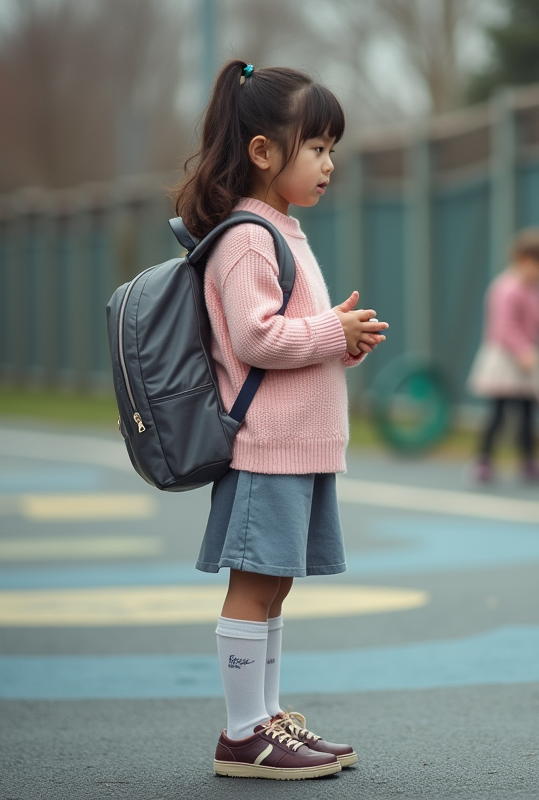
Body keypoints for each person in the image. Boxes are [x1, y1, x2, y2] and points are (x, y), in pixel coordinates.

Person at [171, 61, 388, 781]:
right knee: (255, 582)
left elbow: (294, 337)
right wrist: (331, 331)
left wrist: (339, 339)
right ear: (263, 151)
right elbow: (257, 338)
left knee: (278, 582)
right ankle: (242, 733)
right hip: (265, 448)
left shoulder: (283, 230)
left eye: (332, 148)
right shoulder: (246, 238)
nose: (329, 163)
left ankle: (265, 719)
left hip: (298, 448)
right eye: (316, 147)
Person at [466, 227, 539, 483]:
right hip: (506, 359)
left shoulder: (536, 288)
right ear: (522, 259)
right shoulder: (506, 288)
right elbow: (505, 327)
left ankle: (529, 461)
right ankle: (483, 460)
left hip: (527, 359)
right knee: (499, 413)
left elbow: (532, 316)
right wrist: (523, 351)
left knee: (528, 413)